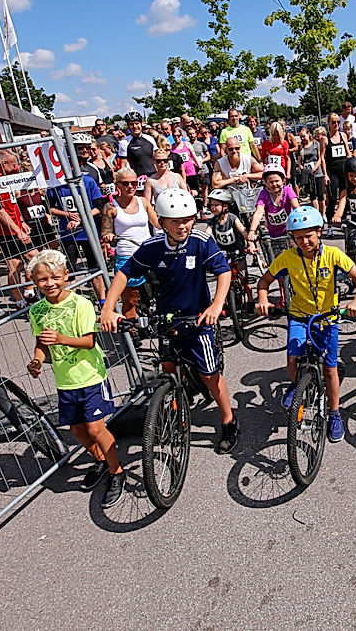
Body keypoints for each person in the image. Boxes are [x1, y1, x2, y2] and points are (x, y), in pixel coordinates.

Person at [99, 189, 239, 453]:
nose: (182, 226)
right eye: (174, 221)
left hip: (198, 319)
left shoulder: (200, 241)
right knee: (168, 369)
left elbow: (223, 271)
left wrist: (217, 304)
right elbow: (124, 274)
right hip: (166, 319)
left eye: (187, 220)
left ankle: (229, 421)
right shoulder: (152, 247)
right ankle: (176, 404)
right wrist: (108, 308)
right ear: (161, 222)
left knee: (210, 375)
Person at [255, 207, 356, 443]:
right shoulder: (287, 257)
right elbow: (264, 281)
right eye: (298, 237)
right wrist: (263, 299)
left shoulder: (333, 254)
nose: (304, 241)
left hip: (327, 318)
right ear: (292, 238)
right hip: (299, 316)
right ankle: (297, 385)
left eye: (309, 235)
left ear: (319, 232)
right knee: (292, 359)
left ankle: (334, 413)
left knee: (330, 369)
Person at [27, 250, 125, 507]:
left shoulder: (80, 304)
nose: (49, 283)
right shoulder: (37, 311)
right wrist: (37, 360)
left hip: (90, 375)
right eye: (42, 279)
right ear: (34, 281)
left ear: (66, 276)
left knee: (95, 428)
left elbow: (89, 341)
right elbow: (42, 343)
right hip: (65, 380)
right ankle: (100, 460)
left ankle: (117, 472)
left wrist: (61, 339)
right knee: (77, 430)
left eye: (55, 277)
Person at [0, 149, 34, 308]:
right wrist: (18, 231)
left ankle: (27, 295)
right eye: (13, 164)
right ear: (3, 163)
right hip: (5, 231)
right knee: (31, 258)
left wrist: (21, 221)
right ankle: (22, 300)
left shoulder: (3, 177)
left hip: (14, 226)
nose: (16, 167)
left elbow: (11, 202)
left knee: (19, 263)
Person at [46, 163, 108, 302]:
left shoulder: (88, 181)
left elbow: (99, 207)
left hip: (89, 233)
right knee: (68, 270)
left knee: (96, 268)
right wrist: (67, 214)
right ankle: (70, 302)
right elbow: (50, 208)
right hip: (67, 234)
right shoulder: (56, 184)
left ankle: (102, 301)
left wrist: (81, 218)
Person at [100, 168, 152, 319]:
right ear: (118, 185)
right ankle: (131, 327)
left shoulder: (143, 202)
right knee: (130, 300)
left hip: (148, 252)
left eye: (134, 183)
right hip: (127, 255)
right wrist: (108, 235)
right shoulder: (111, 207)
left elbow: (157, 224)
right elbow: (105, 231)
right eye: (125, 183)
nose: (130, 186)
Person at [248, 164, 300, 261]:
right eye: (271, 182)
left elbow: (297, 208)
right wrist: (252, 230)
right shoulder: (264, 194)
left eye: (277, 181)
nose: (274, 184)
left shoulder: (287, 190)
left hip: (290, 231)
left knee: (296, 257)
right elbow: (259, 212)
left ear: (283, 180)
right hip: (274, 235)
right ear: (265, 183)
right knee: (278, 261)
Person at [322, 113, 356, 208]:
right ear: (329, 123)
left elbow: (348, 154)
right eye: (334, 122)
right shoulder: (325, 138)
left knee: (344, 196)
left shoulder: (343, 135)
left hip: (343, 170)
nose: (336, 124)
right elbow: (322, 157)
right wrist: (325, 174)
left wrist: (352, 169)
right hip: (332, 171)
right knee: (332, 197)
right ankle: (330, 215)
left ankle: (343, 214)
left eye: (338, 122)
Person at [117, 112, 158, 193]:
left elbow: (156, 159)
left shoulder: (150, 139)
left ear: (141, 123)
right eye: (131, 124)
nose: (135, 126)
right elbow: (123, 165)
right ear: (128, 126)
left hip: (153, 176)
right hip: (137, 179)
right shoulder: (124, 142)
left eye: (137, 123)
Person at [299, 127, 328, 219]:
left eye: (304, 136)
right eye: (301, 137)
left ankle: (323, 214)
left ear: (308, 134)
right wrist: (302, 168)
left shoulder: (316, 144)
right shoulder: (301, 147)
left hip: (317, 172)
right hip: (307, 173)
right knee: (312, 195)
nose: (302, 138)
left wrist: (315, 168)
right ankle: (317, 214)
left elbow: (320, 158)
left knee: (320, 195)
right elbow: (299, 161)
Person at [187, 125, 211, 213]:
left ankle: (205, 206)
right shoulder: (187, 145)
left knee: (205, 188)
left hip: (203, 169)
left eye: (193, 133)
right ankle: (195, 207)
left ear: (196, 134)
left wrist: (202, 161)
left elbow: (208, 156)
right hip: (192, 171)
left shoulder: (201, 144)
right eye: (190, 134)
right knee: (194, 190)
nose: (192, 135)